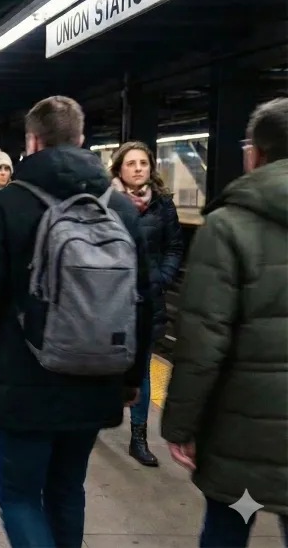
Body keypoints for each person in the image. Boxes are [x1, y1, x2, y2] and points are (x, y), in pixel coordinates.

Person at [0, 95, 152, 547]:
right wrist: (134, 376)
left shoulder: (7, 206)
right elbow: (143, 301)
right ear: (82, 140)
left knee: (20, 497)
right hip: (96, 378)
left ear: (32, 141)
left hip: (23, 380)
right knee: (66, 491)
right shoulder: (118, 208)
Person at [161, 97, 288, 547]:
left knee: (229, 529)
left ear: (254, 152)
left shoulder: (228, 225)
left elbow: (202, 341)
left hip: (243, 443)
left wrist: (181, 426)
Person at [108, 141, 183, 466]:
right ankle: (100, 412)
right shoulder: (106, 202)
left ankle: (138, 436)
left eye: (143, 163)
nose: (138, 168)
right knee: (108, 362)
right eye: (131, 163)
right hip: (112, 299)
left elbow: (175, 246)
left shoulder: (163, 205)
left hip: (148, 298)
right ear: (119, 168)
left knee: (142, 368)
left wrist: (161, 278)